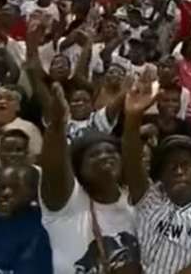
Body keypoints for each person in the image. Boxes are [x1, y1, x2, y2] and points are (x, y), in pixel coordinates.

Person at [122, 75, 191, 274]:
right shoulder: (149, 197)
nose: (179, 171)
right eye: (171, 167)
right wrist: (132, 118)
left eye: (185, 165)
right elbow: (131, 160)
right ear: (160, 174)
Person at [39, 81, 140, 274]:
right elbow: (55, 167)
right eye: (93, 155)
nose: (104, 156)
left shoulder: (135, 204)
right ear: (78, 168)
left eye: (111, 151)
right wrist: (57, 126)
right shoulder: (67, 204)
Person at [0, 164, 52, 273]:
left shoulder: (39, 231)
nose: (6, 193)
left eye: (15, 188)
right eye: (1, 187)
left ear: (31, 194)